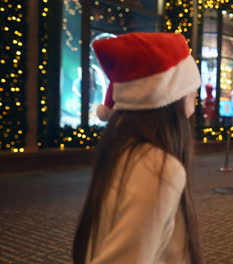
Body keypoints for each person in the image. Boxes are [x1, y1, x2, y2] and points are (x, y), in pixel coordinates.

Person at [72, 32, 203, 264]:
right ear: (169, 96)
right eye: (192, 88)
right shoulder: (158, 168)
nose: (195, 94)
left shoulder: (126, 151)